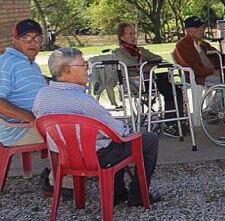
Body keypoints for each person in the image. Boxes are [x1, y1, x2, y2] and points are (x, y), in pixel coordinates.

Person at [33, 47, 160, 206]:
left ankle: (118, 193)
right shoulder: (83, 101)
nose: (88, 68)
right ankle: (138, 195)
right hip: (95, 157)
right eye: (83, 65)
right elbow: (118, 131)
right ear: (67, 70)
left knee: (114, 142)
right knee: (147, 139)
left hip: (64, 158)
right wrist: (128, 130)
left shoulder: (42, 95)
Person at [0, 19, 73, 197]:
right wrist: (32, 118)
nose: (33, 43)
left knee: (80, 119)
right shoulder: (7, 63)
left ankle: (64, 171)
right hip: (16, 129)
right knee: (71, 131)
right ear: (15, 40)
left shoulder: (27, 62)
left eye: (37, 39)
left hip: (37, 122)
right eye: (27, 38)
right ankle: (59, 182)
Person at [113, 23, 186, 135]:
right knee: (168, 87)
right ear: (122, 37)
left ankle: (175, 122)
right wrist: (145, 66)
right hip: (134, 83)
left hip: (149, 80)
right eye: (130, 34)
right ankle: (171, 123)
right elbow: (129, 65)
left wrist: (147, 65)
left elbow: (158, 58)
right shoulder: (119, 52)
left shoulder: (140, 50)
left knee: (174, 89)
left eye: (134, 33)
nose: (133, 36)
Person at [173, 16, 221, 86]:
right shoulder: (182, 45)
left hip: (212, 73)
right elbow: (193, 68)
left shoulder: (204, 44)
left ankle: (220, 96)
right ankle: (220, 96)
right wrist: (213, 71)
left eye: (202, 27)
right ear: (188, 30)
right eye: (197, 27)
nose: (201, 29)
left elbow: (218, 57)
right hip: (198, 77)